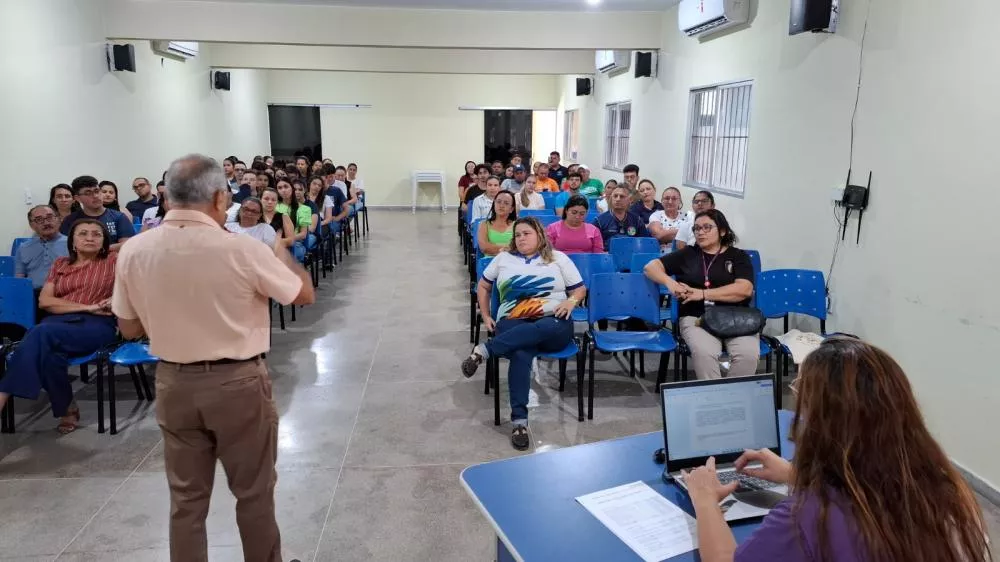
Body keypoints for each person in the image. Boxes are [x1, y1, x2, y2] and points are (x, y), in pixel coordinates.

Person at [112, 154, 314, 562]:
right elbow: (302, 294)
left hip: (173, 383)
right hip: (236, 383)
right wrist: (280, 252)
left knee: (186, 499)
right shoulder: (242, 248)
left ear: (166, 197)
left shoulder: (134, 250)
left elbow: (128, 328)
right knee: (254, 492)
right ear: (221, 198)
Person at [681, 338, 991, 562]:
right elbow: (868, 489)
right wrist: (796, 474)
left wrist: (705, 500)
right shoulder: (949, 494)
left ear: (821, 421)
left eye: (799, 392)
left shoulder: (807, 518)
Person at [461, 217, 586, 450]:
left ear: (539, 234)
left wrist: (570, 302)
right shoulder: (503, 259)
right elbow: (484, 286)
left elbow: (580, 289)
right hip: (513, 320)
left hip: (553, 322)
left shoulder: (558, 258)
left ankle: (485, 350)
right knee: (521, 351)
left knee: (542, 330)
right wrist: (486, 315)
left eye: (526, 234)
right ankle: (519, 421)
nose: (521, 238)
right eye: (517, 235)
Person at [0, 219, 118, 434]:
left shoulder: (113, 261)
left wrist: (111, 301)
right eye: (83, 233)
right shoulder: (60, 264)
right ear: (72, 241)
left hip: (96, 325)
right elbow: (45, 301)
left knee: (39, 334)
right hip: (58, 323)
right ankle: (66, 408)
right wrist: (88, 306)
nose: (90, 238)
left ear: (104, 241)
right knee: (48, 352)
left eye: (96, 234)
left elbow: (131, 289)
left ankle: (3, 394)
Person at [643, 209, 757, 380]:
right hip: (697, 317)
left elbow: (744, 289)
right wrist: (670, 283)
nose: (700, 232)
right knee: (705, 353)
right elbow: (650, 267)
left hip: (736, 316)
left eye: (707, 227)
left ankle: (733, 394)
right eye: (696, 228)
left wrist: (703, 294)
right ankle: (713, 395)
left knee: (748, 355)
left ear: (722, 231)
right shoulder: (688, 254)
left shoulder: (738, 256)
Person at [60, 175, 134, 249]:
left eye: (97, 191)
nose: (95, 196)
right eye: (88, 193)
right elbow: (65, 246)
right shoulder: (70, 220)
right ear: (77, 198)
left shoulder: (119, 217)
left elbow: (127, 244)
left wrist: (98, 250)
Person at [15, 205, 69, 294]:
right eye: (39, 219)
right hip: (32, 294)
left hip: (64, 294)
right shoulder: (23, 248)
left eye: (49, 217)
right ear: (31, 225)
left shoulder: (72, 244)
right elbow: (19, 279)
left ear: (58, 219)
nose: (46, 223)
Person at [593, 184, 649, 249]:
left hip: (631, 254)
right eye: (615, 196)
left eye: (622, 196)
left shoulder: (637, 220)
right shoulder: (599, 221)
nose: (618, 199)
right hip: (607, 254)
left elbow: (644, 244)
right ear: (611, 199)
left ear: (629, 200)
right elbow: (594, 247)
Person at [275, 180, 312, 261]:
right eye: (279, 188)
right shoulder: (274, 206)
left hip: (296, 243)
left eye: (286, 187)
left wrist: (285, 240)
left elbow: (303, 234)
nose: (283, 190)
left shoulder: (304, 209)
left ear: (292, 189)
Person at [647, 186, 689, 255]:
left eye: (674, 198)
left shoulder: (688, 216)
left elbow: (692, 236)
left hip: (682, 256)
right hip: (660, 257)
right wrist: (683, 232)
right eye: (667, 198)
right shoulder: (656, 215)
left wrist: (667, 233)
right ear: (662, 201)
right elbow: (659, 235)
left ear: (679, 201)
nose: (670, 201)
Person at [476, 190, 516, 257]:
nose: (501, 205)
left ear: (511, 209)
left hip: (512, 261)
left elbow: (520, 248)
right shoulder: (484, 225)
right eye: (499, 202)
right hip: (490, 261)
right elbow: (484, 248)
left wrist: (494, 247)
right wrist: (509, 248)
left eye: (506, 203)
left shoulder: (517, 225)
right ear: (494, 204)